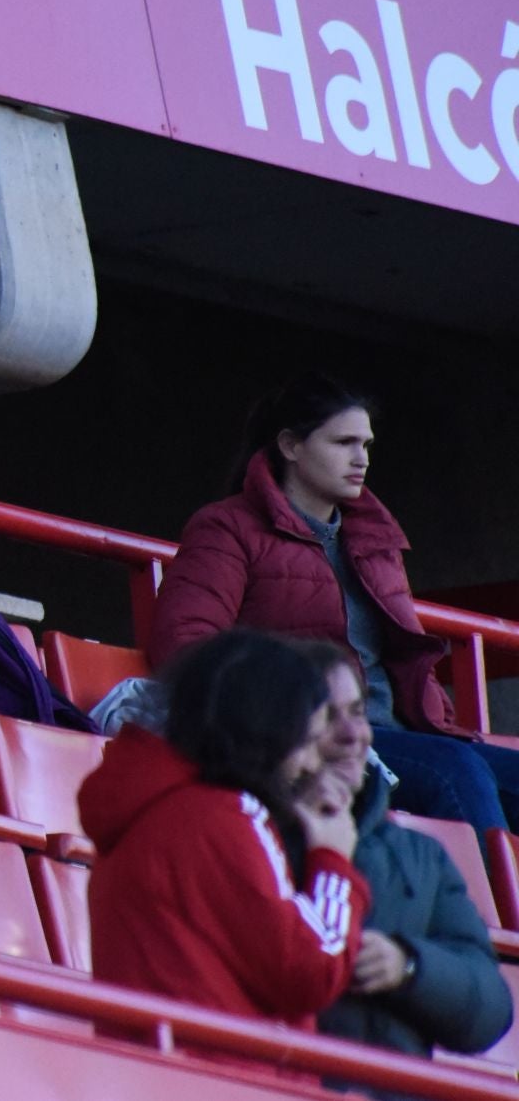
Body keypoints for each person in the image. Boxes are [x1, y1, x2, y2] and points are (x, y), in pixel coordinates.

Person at [150, 373, 519, 833]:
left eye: (366, 445)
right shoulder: (226, 528)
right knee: (456, 772)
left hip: (405, 735)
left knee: (479, 765)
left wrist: (437, 717)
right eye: (343, 443)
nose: (360, 459)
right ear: (290, 446)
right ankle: (494, 907)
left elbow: (401, 659)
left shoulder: (374, 540)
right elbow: (185, 645)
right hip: (312, 738)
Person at [79, 629, 368, 1025]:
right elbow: (313, 969)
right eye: (305, 741)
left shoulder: (157, 808)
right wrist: (333, 860)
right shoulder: (220, 818)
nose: (309, 764)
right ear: (267, 733)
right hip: (220, 1078)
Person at [307, 641, 512, 1073]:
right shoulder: (244, 836)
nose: (353, 733)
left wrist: (410, 965)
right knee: (458, 768)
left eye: (358, 712)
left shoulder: (418, 855)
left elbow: (492, 1009)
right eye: (328, 715)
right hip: (296, 1086)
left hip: (407, 1088)